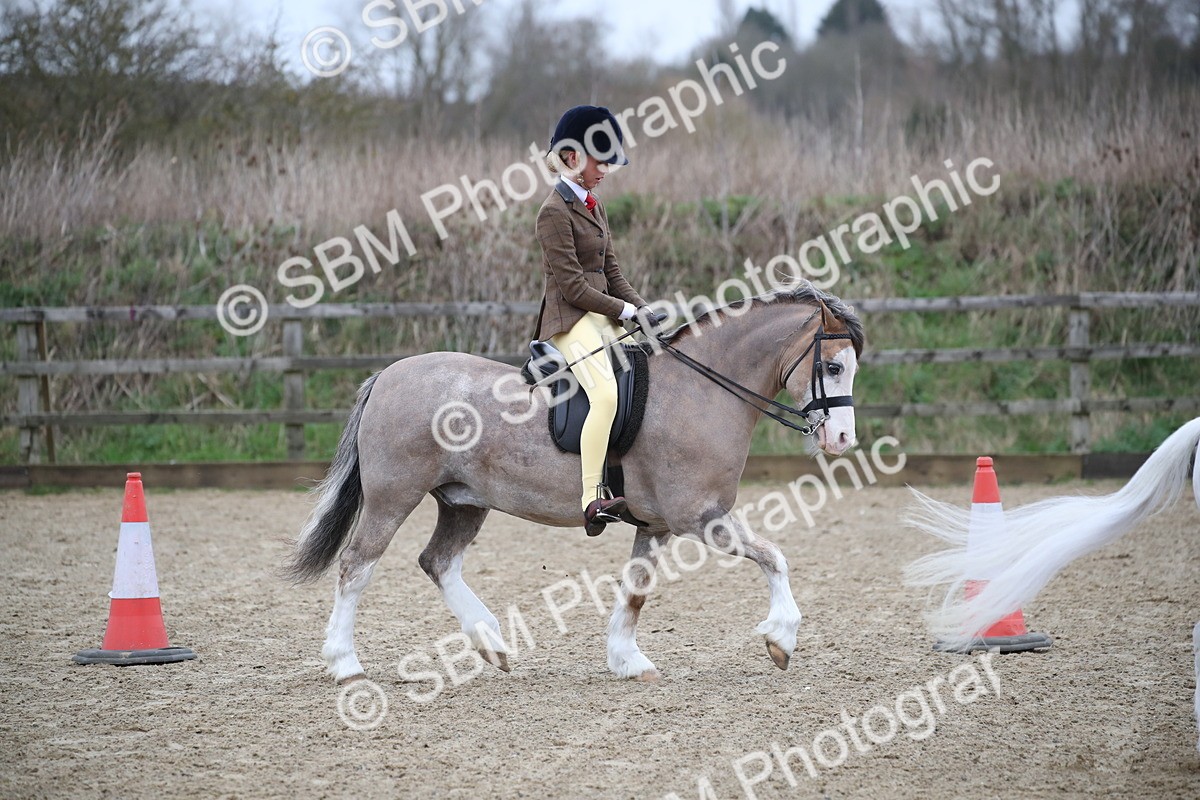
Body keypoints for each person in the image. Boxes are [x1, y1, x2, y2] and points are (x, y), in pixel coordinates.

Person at [532, 105, 665, 534]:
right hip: (570, 320)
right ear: (572, 157)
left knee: (648, 372)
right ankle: (592, 497)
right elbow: (573, 287)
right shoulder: (552, 213)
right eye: (600, 161)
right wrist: (624, 311)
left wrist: (642, 308)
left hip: (601, 314)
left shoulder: (595, 206)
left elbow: (612, 273)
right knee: (605, 395)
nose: (606, 170)